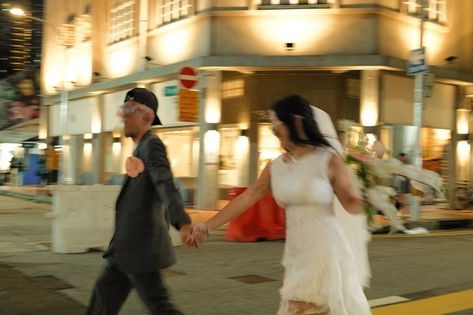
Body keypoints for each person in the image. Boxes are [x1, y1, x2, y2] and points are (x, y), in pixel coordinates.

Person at [189, 95, 371, 315]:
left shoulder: (328, 159)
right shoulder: (276, 166)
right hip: (296, 252)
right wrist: (207, 226)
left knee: (303, 309)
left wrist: (371, 200)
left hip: (325, 250)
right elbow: (248, 196)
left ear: (296, 121)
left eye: (277, 124)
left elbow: (350, 202)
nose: (273, 131)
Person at [86, 87, 192, 315]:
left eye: (128, 110)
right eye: (122, 110)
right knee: (103, 300)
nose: (123, 116)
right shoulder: (140, 147)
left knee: (160, 307)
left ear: (147, 117)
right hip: (125, 247)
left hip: (141, 247)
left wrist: (182, 222)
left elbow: (165, 183)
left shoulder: (152, 145)